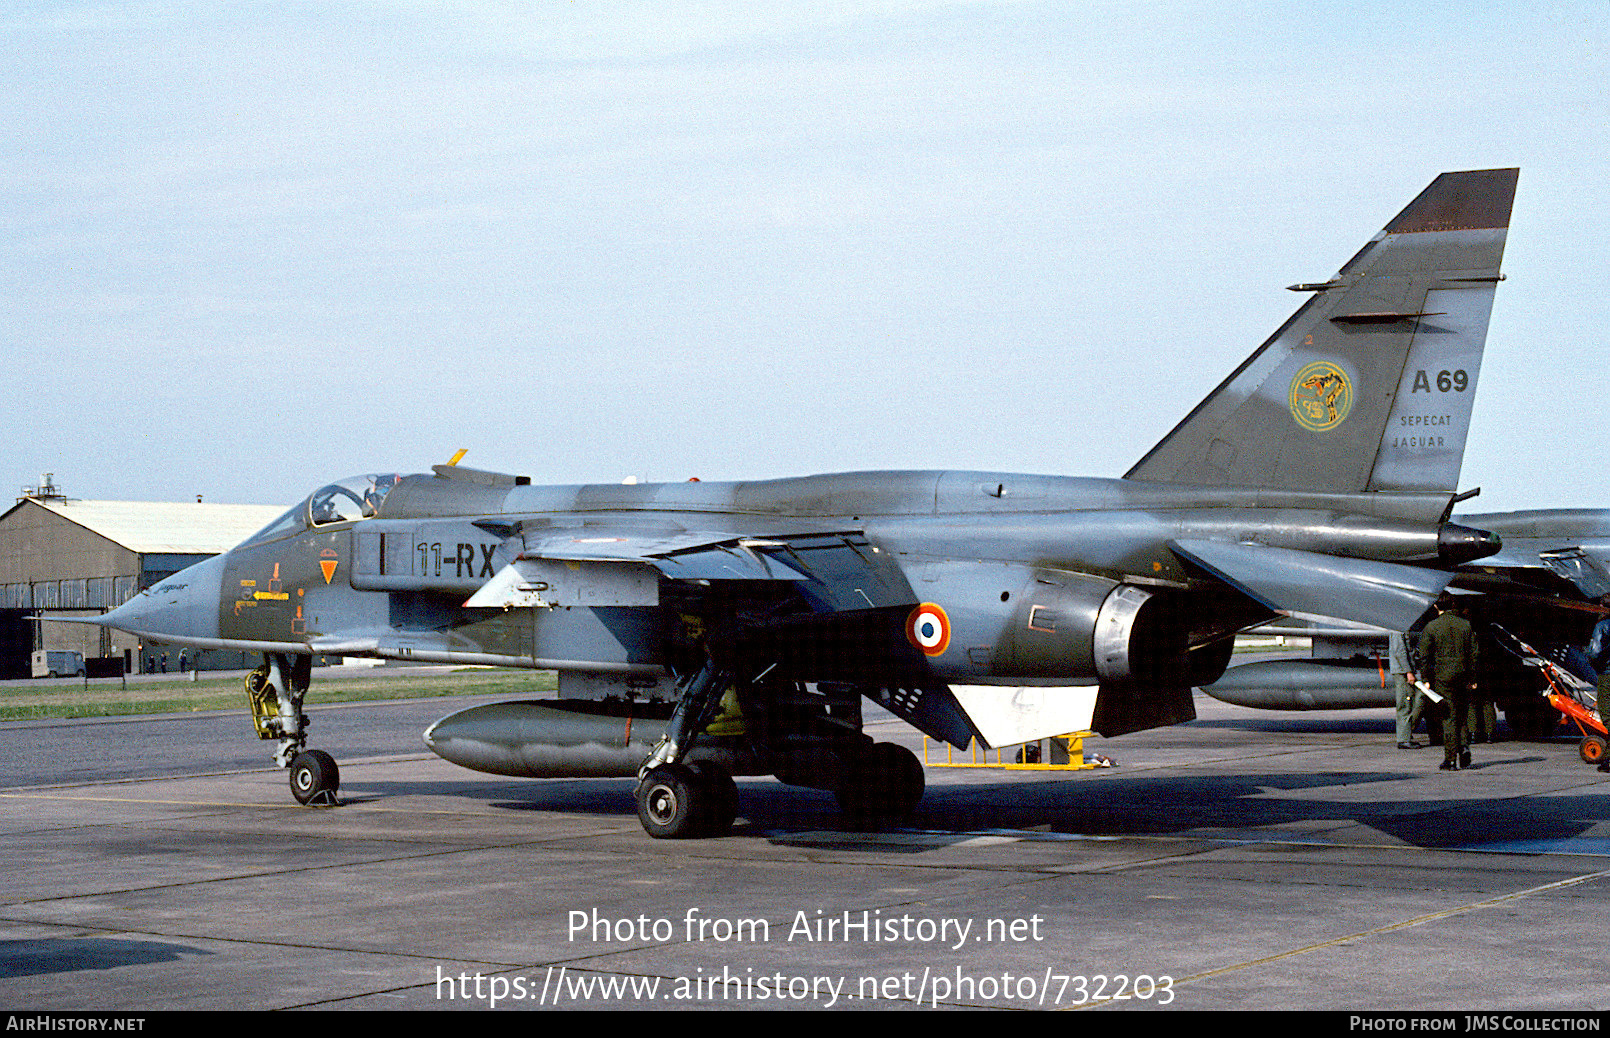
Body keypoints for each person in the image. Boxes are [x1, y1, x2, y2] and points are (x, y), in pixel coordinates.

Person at [1419, 592, 1479, 770]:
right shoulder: (1465, 625)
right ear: (1453, 604)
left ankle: (1451, 759)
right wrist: (1473, 678)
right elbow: (1474, 654)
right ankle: (1464, 748)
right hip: (1463, 675)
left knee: (1449, 717)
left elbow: (1424, 656)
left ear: (1436, 606)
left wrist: (1426, 678)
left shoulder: (1432, 627)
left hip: (1443, 677)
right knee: (1461, 714)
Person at [1390, 631, 1423, 749]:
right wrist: (1408, 672)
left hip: (1410, 669)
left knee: (1417, 701)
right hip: (1402, 672)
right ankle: (1404, 739)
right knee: (1405, 704)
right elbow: (1399, 652)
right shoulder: (1397, 630)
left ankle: (1407, 731)